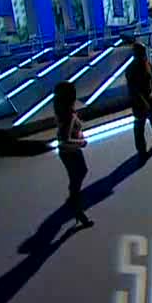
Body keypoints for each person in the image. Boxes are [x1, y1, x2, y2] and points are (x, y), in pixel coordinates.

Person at [53, 81, 94, 227]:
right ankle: (77, 209)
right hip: (70, 152)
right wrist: (81, 142)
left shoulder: (62, 110)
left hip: (69, 152)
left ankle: (74, 198)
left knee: (81, 172)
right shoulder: (68, 115)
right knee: (77, 177)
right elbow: (65, 139)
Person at [125, 42, 152, 160]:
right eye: (141, 52)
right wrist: (143, 102)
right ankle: (142, 151)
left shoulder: (148, 64)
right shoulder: (131, 69)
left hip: (150, 99)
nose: (144, 54)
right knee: (139, 128)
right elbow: (133, 89)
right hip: (139, 103)